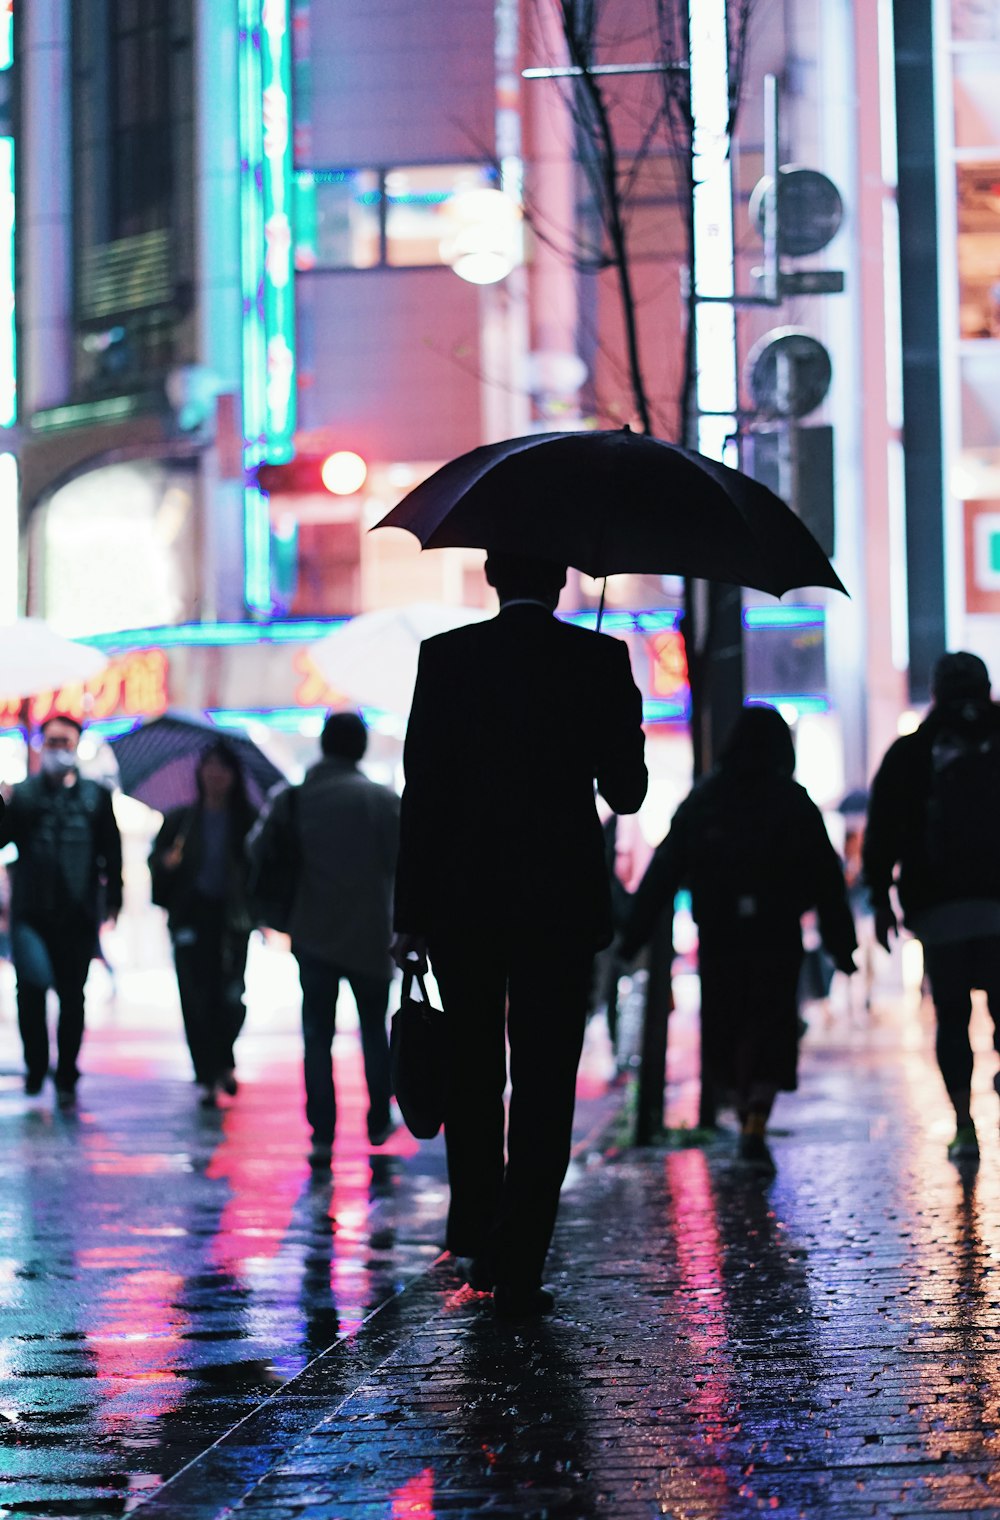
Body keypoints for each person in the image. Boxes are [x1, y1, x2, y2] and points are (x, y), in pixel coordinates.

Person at [392, 552, 648, 1319]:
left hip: (463, 905)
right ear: (562, 582)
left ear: (492, 581)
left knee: (474, 1070)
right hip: (557, 906)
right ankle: (520, 1254)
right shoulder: (598, 658)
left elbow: (422, 792)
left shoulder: (446, 658)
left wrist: (409, 916)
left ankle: (474, 1225)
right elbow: (626, 792)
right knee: (545, 1080)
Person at [620, 706, 857, 1173]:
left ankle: (743, 1106)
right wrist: (841, 944)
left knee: (729, 1024)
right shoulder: (792, 801)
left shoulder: (707, 798)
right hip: (777, 934)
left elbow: (664, 870)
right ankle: (755, 1121)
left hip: (722, 935)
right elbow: (827, 879)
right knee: (771, 1025)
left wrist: (632, 936)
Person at [863, 650, 1000, 1161]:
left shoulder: (911, 751)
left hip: (938, 908)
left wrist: (880, 900)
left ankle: (965, 1125)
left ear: (937, 691)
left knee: (952, 1015)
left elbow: (882, 836)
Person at [257, 711, 400, 1166]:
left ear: (323, 745)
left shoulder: (294, 799)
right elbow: (406, 864)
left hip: (312, 933)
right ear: (360, 749)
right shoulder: (381, 800)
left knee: (317, 1034)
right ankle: (378, 1119)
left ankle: (322, 1131)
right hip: (371, 935)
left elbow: (257, 851)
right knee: (374, 1031)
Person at [0, 714, 122, 1104]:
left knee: (73, 996)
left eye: (64, 743)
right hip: (31, 913)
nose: (58, 750)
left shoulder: (95, 796)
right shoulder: (22, 795)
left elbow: (111, 853)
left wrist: (113, 900)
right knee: (32, 988)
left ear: (76, 746)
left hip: (77, 913)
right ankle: (36, 1067)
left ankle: (67, 1071)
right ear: (40, 745)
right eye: (51, 742)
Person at [149, 741, 257, 1106]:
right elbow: (156, 867)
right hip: (190, 917)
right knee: (195, 998)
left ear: (233, 775)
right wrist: (166, 864)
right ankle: (207, 1075)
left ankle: (223, 1060)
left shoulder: (248, 820)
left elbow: (262, 867)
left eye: (222, 767)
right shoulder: (182, 819)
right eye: (209, 765)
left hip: (232, 922)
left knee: (230, 996)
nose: (215, 774)